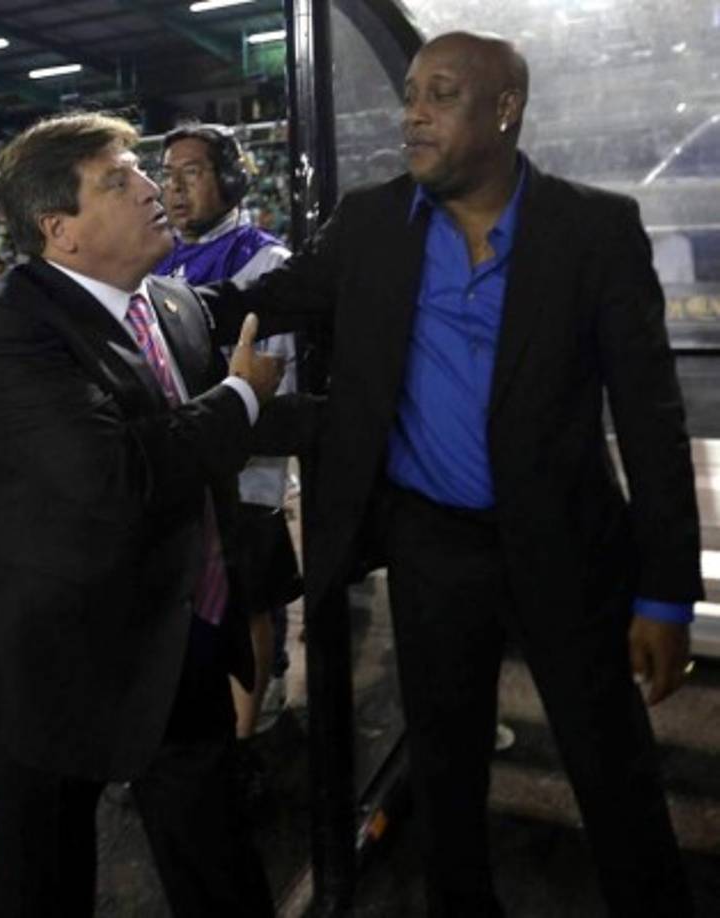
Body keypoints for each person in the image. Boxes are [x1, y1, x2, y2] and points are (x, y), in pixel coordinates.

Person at [202, 32, 704, 918]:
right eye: (408, 95)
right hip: (433, 547)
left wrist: (663, 596)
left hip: (567, 549)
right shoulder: (367, 225)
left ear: (504, 109)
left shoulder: (594, 230)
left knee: (611, 772)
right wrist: (131, 293)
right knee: (445, 774)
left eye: (439, 95)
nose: (412, 115)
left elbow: (652, 421)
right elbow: (260, 298)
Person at [0, 111, 284, 918]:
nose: (149, 186)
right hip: (54, 662)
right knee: (44, 883)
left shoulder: (170, 302)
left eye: (141, 170)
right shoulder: (2, 330)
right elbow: (113, 473)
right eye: (118, 179)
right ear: (58, 229)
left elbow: (267, 308)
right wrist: (241, 396)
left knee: (222, 871)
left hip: (178, 639)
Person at [156, 122, 300, 744]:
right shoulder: (156, 254)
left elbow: (276, 379)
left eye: (191, 172)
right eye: (168, 174)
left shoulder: (266, 259)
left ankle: (252, 730)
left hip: (245, 474)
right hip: (182, 463)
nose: (175, 188)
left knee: (251, 601)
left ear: (234, 179)